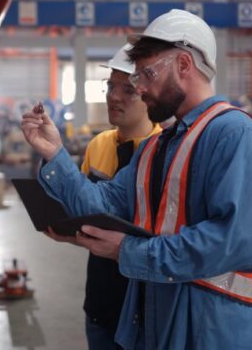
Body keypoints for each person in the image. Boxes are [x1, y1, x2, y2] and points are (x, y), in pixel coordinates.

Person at [21, 9, 252, 349]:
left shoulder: (236, 138)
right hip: (154, 321)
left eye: (147, 74)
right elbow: (100, 204)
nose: (139, 88)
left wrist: (130, 252)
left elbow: (232, 241)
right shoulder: (156, 148)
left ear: (184, 65)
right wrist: (55, 154)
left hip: (209, 329)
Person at [44, 44, 161, 350]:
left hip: (140, 307)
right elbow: (86, 211)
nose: (113, 96)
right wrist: (69, 232)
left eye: (128, 90)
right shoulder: (98, 145)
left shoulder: (162, 152)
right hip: (99, 301)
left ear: (148, 95)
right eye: (110, 87)